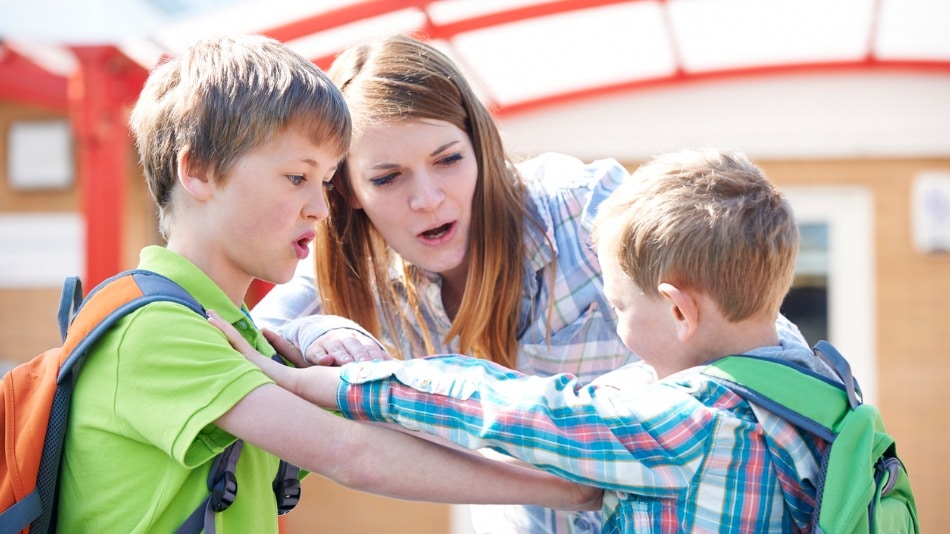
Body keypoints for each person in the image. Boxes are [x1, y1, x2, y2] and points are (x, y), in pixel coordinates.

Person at [252, 35, 808, 533]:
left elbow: (755, 332)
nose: (427, 197)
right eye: (388, 177)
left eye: (447, 160)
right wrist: (314, 334)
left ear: (479, 147)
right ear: (347, 190)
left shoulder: (580, 209)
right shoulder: (354, 272)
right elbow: (247, 339)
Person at [54, 34, 600, 532]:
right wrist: (574, 489)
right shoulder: (161, 329)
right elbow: (354, 454)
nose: (319, 208)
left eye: (324, 182)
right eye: (298, 178)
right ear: (195, 171)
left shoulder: (242, 333)